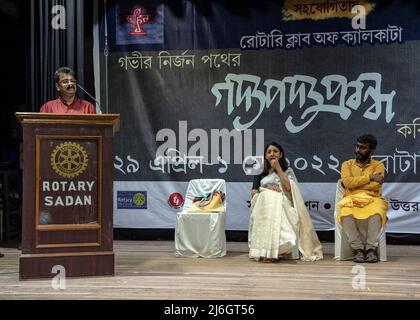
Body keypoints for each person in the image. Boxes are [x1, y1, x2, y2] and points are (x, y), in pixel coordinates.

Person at [248, 142, 323, 262]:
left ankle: (272, 252)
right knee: (267, 196)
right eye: (269, 152)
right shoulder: (260, 172)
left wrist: (277, 168)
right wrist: (267, 187)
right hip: (264, 204)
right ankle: (268, 251)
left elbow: (289, 188)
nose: (272, 153)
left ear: (281, 154)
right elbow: (253, 192)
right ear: (265, 156)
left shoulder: (288, 171)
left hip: (283, 202)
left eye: (275, 151)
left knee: (274, 200)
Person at [338, 134, 388, 263]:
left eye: (363, 148)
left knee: (377, 211)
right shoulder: (347, 164)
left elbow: (376, 186)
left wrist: (356, 184)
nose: (358, 150)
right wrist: (369, 178)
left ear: (371, 151)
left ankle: (371, 249)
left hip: (372, 198)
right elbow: (348, 183)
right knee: (345, 212)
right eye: (357, 146)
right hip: (351, 198)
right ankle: (358, 249)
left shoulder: (379, 165)